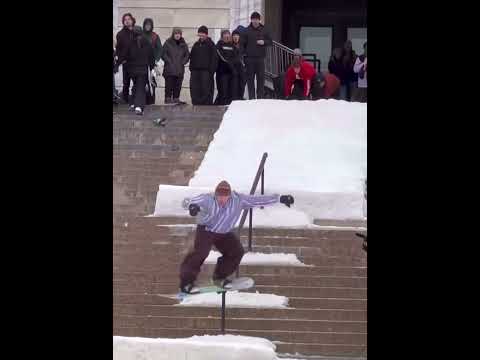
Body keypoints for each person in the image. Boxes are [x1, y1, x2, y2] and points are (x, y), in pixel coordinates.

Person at [179, 180, 295, 293]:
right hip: (206, 230)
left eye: (225, 197)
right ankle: (186, 283)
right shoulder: (207, 199)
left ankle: (219, 278)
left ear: (230, 195)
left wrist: (280, 199)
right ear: (215, 194)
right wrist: (192, 206)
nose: (222, 199)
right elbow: (187, 201)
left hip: (224, 233)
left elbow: (257, 200)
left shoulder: (238, 200)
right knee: (200, 253)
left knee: (236, 252)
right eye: (219, 196)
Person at [116, 26, 155, 115]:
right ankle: (139, 106)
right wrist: (152, 68)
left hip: (132, 70)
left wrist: (117, 64)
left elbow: (124, 55)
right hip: (143, 69)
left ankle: (133, 103)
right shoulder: (147, 42)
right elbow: (151, 56)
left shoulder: (130, 43)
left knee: (136, 86)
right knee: (140, 87)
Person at [242, 12, 272, 99]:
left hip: (260, 59)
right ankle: (251, 98)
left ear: (259, 20)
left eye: (257, 19)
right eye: (253, 19)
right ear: (251, 20)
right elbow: (242, 45)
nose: (255, 21)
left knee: (261, 79)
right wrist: (244, 56)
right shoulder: (246, 31)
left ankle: (260, 98)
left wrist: (264, 42)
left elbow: (270, 42)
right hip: (249, 59)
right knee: (250, 80)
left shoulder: (264, 29)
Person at [189, 26, 218, 105]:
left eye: (203, 34)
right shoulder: (196, 44)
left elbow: (214, 59)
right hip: (195, 71)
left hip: (206, 72)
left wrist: (211, 71)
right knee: (195, 89)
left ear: (206, 34)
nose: (201, 36)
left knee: (206, 90)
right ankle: (196, 104)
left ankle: (206, 105)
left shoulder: (211, 45)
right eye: (200, 34)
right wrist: (191, 68)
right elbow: (192, 56)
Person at [162, 27, 190, 104]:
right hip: (169, 69)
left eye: (179, 34)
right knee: (169, 85)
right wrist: (169, 61)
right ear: (173, 34)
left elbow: (187, 55)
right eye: (176, 34)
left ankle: (176, 98)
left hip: (179, 68)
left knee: (178, 85)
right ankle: (167, 98)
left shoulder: (183, 44)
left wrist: (183, 62)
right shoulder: (168, 42)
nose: (177, 35)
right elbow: (163, 53)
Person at [215, 30, 239, 105]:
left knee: (232, 91)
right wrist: (230, 64)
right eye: (225, 35)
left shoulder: (232, 46)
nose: (227, 37)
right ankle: (222, 105)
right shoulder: (219, 45)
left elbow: (236, 56)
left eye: (228, 35)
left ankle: (230, 106)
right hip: (222, 72)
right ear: (222, 36)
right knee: (223, 91)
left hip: (232, 72)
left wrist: (233, 67)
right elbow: (223, 57)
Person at [116, 13, 136, 103]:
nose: (127, 21)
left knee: (137, 82)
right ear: (123, 22)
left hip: (136, 62)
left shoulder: (137, 32)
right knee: (126, 83)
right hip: (126, 62)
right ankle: (125, 100)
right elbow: (118, 49)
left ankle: (136, 100)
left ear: (132, 20)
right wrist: (121, 60)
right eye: (125, 20)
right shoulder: (120, 34)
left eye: (129, 19)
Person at [232, 29, 246, 100]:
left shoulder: (242, 45)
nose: (235, 37)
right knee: (235, 85)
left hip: (242, 68)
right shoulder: (230, 46)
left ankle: (240, 97)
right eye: (234, 35)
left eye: (237, 35)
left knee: (242, 83)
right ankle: (235, 99)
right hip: (233, 68)